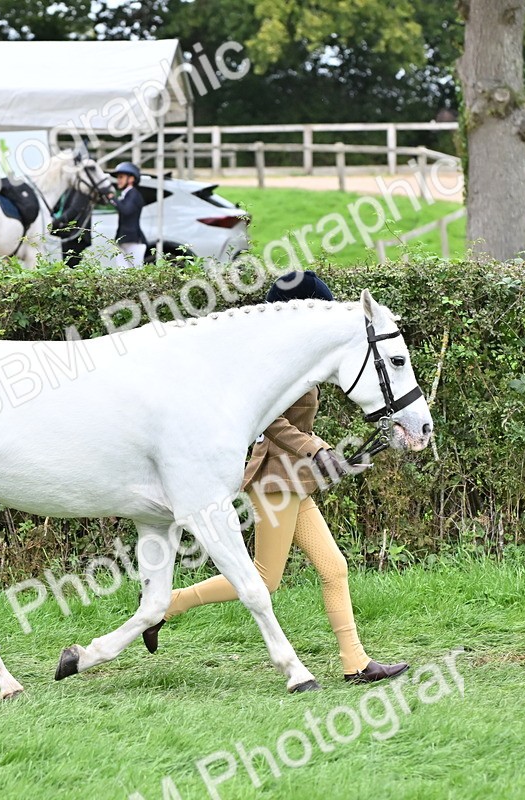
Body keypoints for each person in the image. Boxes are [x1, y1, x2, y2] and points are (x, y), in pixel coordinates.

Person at [144, 270, 410, 686]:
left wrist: (329, 455)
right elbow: (272, 422)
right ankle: (166, 606)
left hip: (294, 479)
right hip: (273, 478)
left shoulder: (298, 358)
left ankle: (355, 663)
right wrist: (315, 450)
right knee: (265, 578)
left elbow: (299, 431)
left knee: (334, 568)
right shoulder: (274, 363)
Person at [110, 161, 146, 268]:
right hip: (123, 239)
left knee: (135, 272)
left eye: (121, 177)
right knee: (122, 272)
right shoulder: (126, 194)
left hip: (133, 240)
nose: (118, 180)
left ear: (131, 179)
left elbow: (126, 210)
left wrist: (112, 198)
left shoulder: (133, 194)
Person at [52, 186, 93, 267]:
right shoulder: (67, 188)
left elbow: (74, 210)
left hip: (77, 235)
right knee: (67, 265)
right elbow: (57, 206)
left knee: (72, 266)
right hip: (67, 233)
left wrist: (55, 223)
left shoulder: (82, 189)